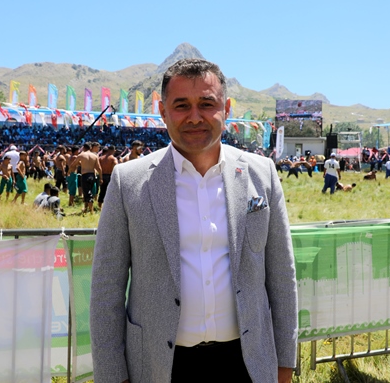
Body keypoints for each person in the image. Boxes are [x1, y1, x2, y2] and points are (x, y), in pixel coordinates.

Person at [90, 59, 297, 383]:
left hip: (247, 364)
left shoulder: (262, 174)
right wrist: (113, 376)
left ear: (226, 108)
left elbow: (282, 276)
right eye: (182, 105)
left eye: (207, 104)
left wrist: (284, 364)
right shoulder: (127, 182)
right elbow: (106, 290)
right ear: (163, 111)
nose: (195, 116)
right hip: (160, 367)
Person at [68, 142, 102, 214]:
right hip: (92, 175)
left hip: (85, 175)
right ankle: (86, 208)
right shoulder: (95, 156)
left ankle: (91, 211)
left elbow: (73, 164)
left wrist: (69, 171)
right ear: (90, 148)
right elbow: (99, 168)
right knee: (88, 192)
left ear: (83, 148)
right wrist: (101, 178)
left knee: (87, 193)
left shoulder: (81, 155)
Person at [97, 145, 118, 210]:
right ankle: (108, 206)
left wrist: (100, 177)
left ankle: (99, 206)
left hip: (102, 175)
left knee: (102, 191)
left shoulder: (101, 158)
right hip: (110, 176)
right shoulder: (113, 159)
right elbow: (116, 166)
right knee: (110, 191)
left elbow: (98, 167)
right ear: (114, 151)